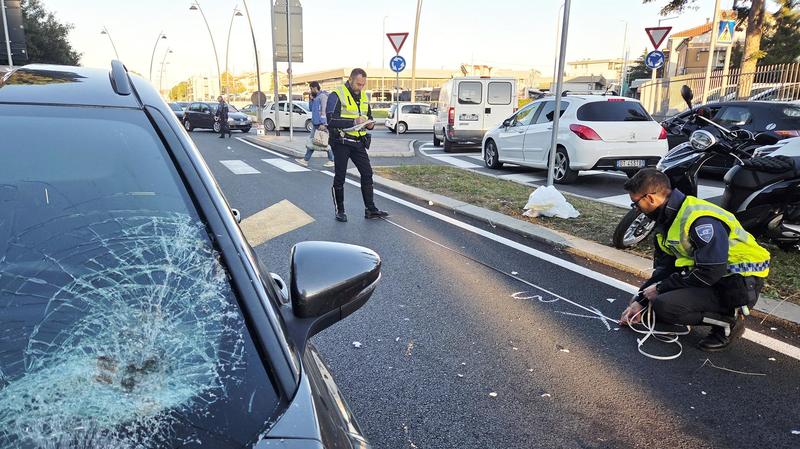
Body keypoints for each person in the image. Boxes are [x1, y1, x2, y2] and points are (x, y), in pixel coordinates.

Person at [618, 169, 770, 351]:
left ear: (650, 198)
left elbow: (711, 272)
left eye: (635, 203)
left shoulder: (700, 221)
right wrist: (641, 301)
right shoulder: (667, 219)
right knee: (654, 304)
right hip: (710, 276)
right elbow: (666, 268)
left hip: (736, 283)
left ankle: (729, 322)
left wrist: (659, 289)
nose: (635, 208)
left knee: (665, 305)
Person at [326, 68, 388, 222]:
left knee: (367, 173)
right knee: (340, 176)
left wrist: (370, 124)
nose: (361, 87)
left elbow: (369, 116)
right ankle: (340, 210)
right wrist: (353, 121)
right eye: (358, 84)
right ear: (350, 80)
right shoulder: (336, 95)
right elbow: (331, 120)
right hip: (341, 142)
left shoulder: (364, 97)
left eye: (363, 85)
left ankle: (370, 209)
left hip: (358, 141)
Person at [297, 81, 334, 168]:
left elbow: (324, 110)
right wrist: (311, 99)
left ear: (314, 88)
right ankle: (305, 160)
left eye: (311, 89)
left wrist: (323, 123)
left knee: (324, 142)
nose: (310, 90)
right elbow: (310, 109)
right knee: (312, 142)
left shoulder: (323, 96)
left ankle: (332, 160)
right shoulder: (316, 97)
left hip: (321, 124)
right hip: (315, 124)